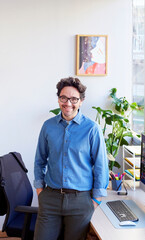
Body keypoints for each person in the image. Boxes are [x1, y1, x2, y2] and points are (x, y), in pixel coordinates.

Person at [33, 77, 109, 240]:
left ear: (81, 101)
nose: (68, 103)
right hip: (51, 198)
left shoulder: (92, 129)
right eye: (63, 98)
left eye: (74, 99)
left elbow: (101, 165)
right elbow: (40, 160)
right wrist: (40, 192)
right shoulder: (48, 126)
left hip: (80, 201)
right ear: (59, 99)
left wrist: (96, 200)